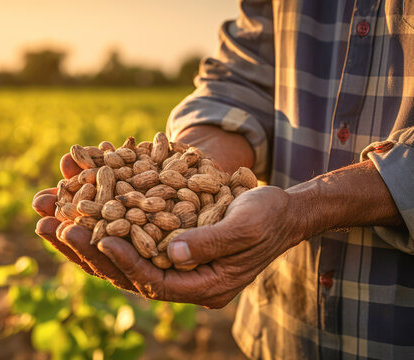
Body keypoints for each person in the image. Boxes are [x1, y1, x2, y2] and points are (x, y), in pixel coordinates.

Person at [33, 0, 414, 358]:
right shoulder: (135, 190)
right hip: (278, 335)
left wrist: (304, 209)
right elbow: (243, 76)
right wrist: (200, 158)